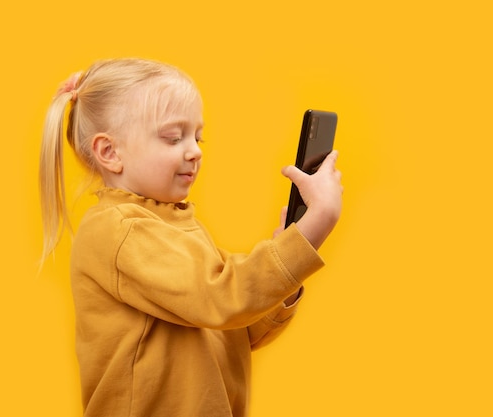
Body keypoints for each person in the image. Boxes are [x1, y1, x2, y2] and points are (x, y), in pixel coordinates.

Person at [39, 57, 343, 417]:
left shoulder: (179, 224)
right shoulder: (117, 229)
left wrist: (286, 280)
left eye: (198, 137)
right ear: (110, 152)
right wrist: (311, 230)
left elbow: (235, 324)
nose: (195, 150)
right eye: (173, 137)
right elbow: (221, 297)